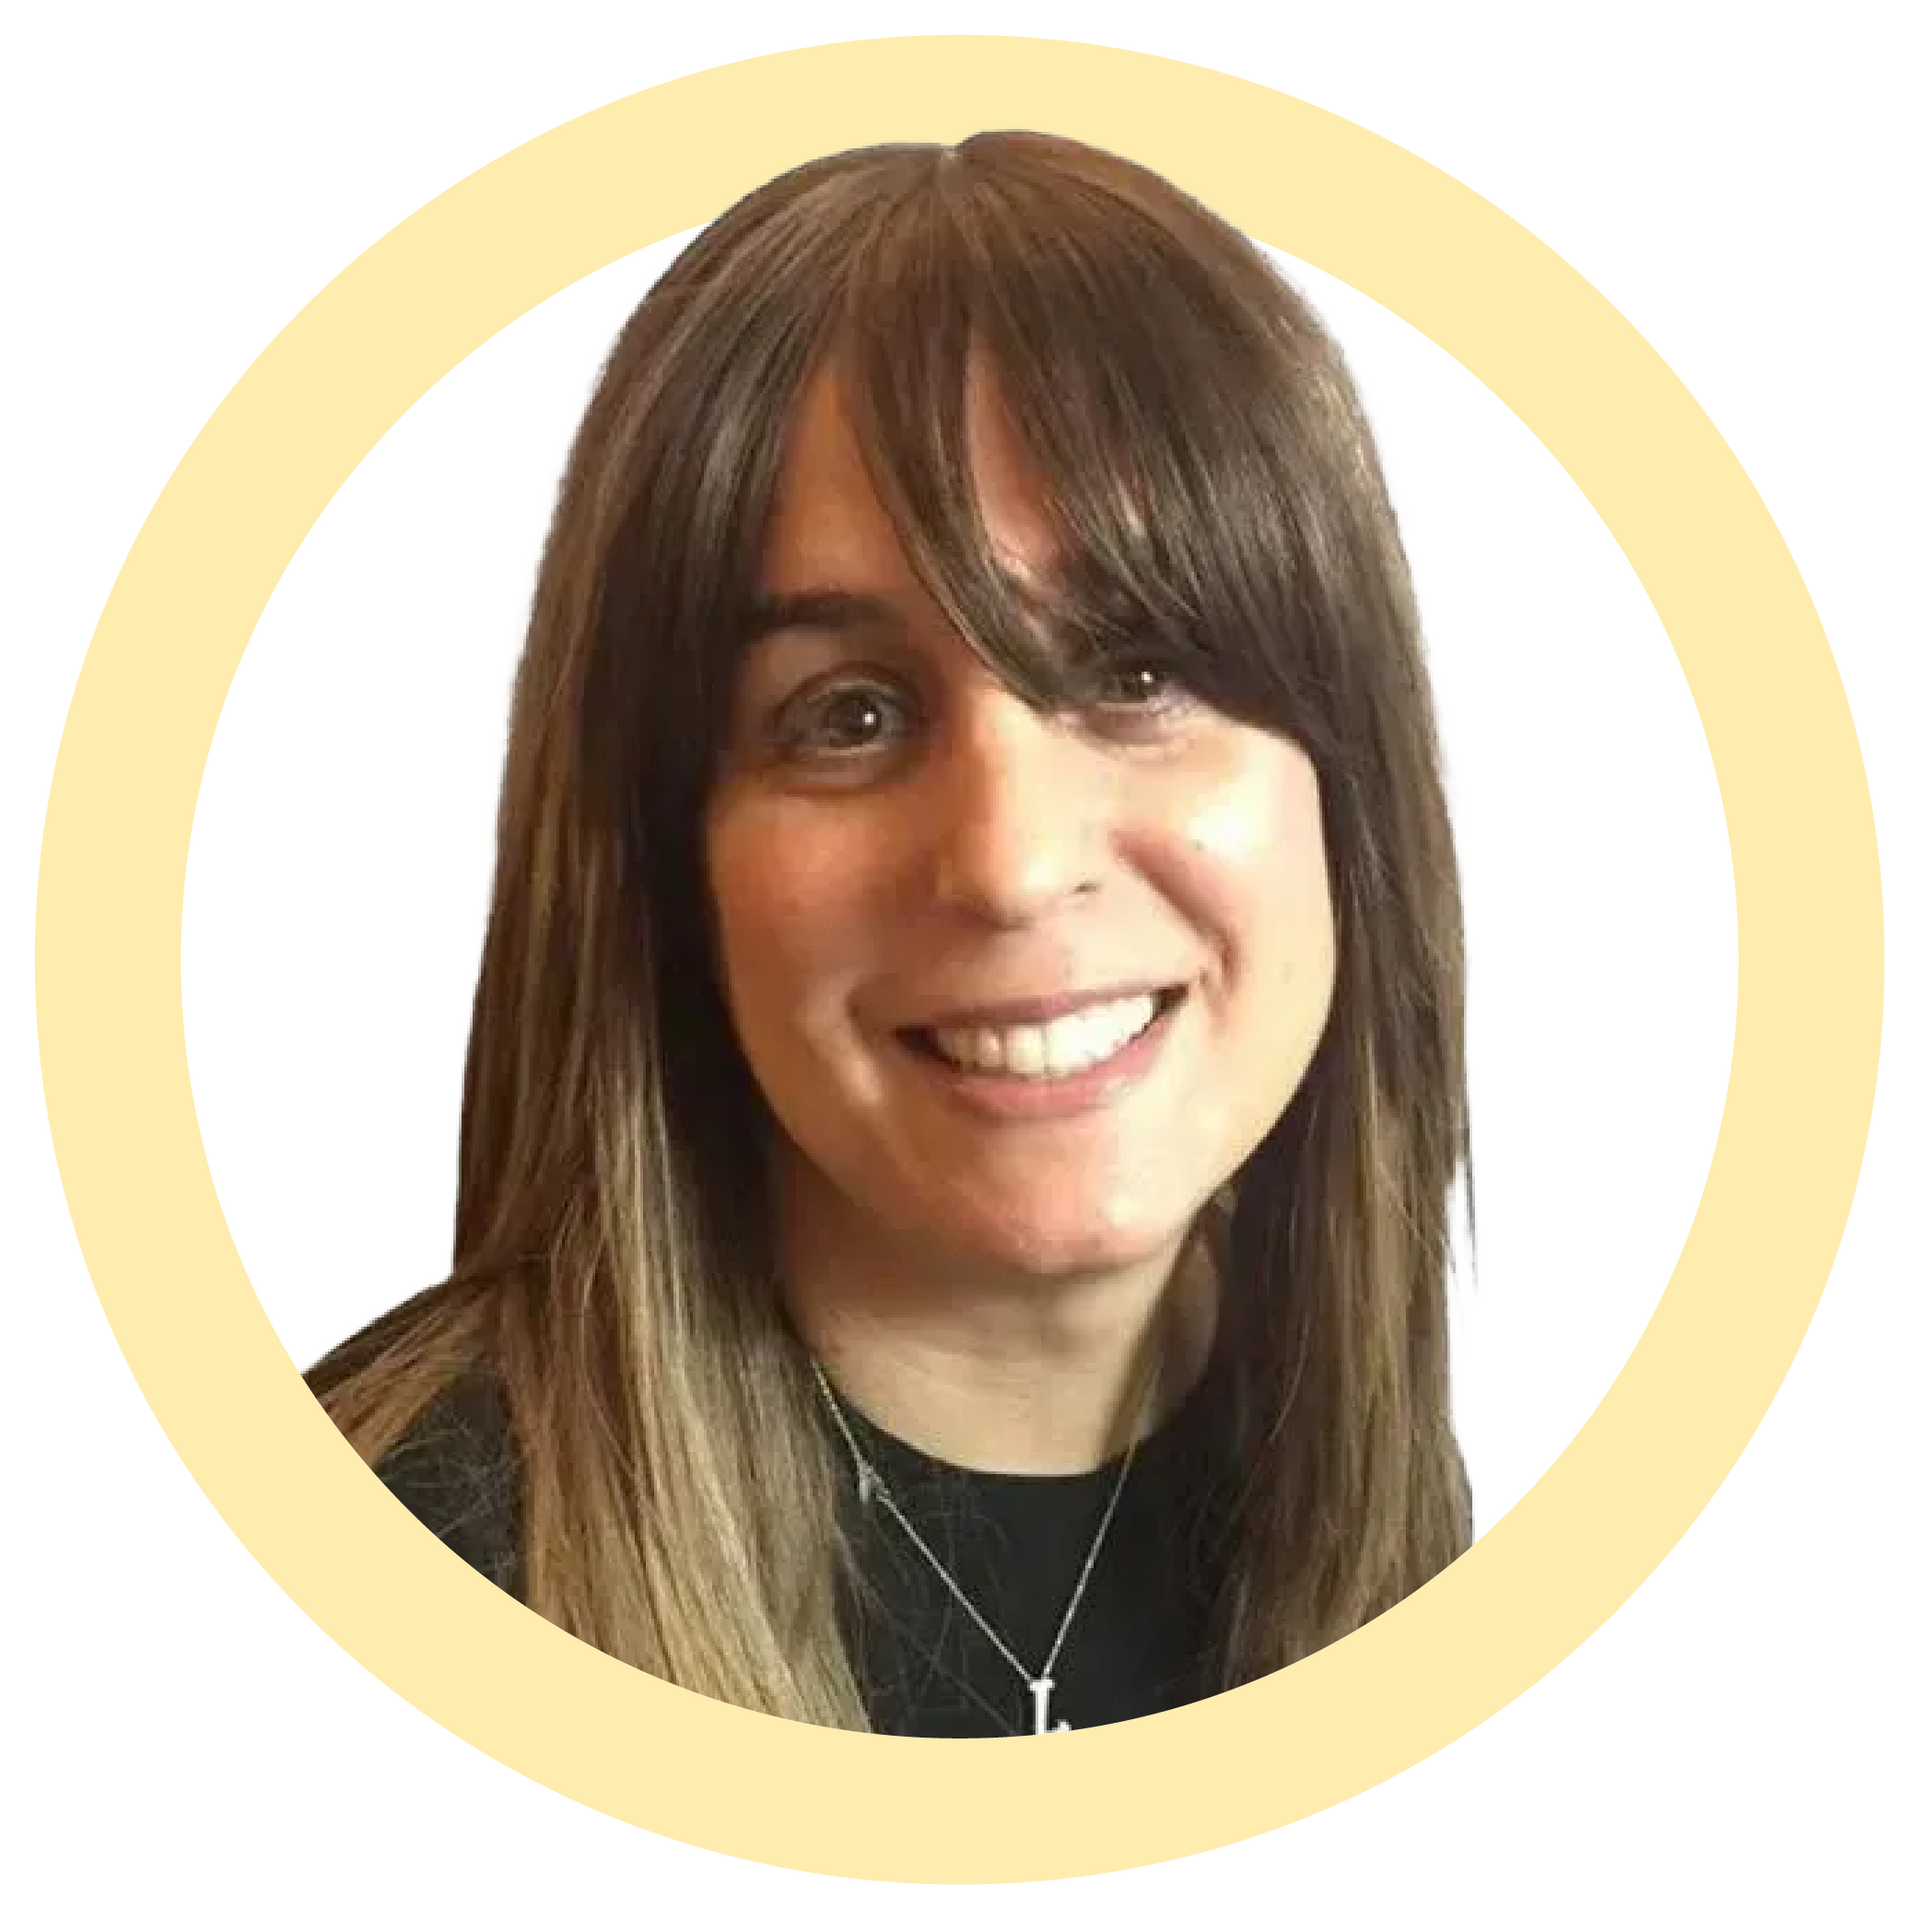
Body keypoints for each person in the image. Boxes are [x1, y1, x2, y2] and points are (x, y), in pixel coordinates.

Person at [309, 131, 1471, 1738]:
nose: (1011, 864)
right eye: (846, 714)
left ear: (1350, 787)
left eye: (1137, 672)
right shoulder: (388, 1564)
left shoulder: (1345, 1460)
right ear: (663, 863)